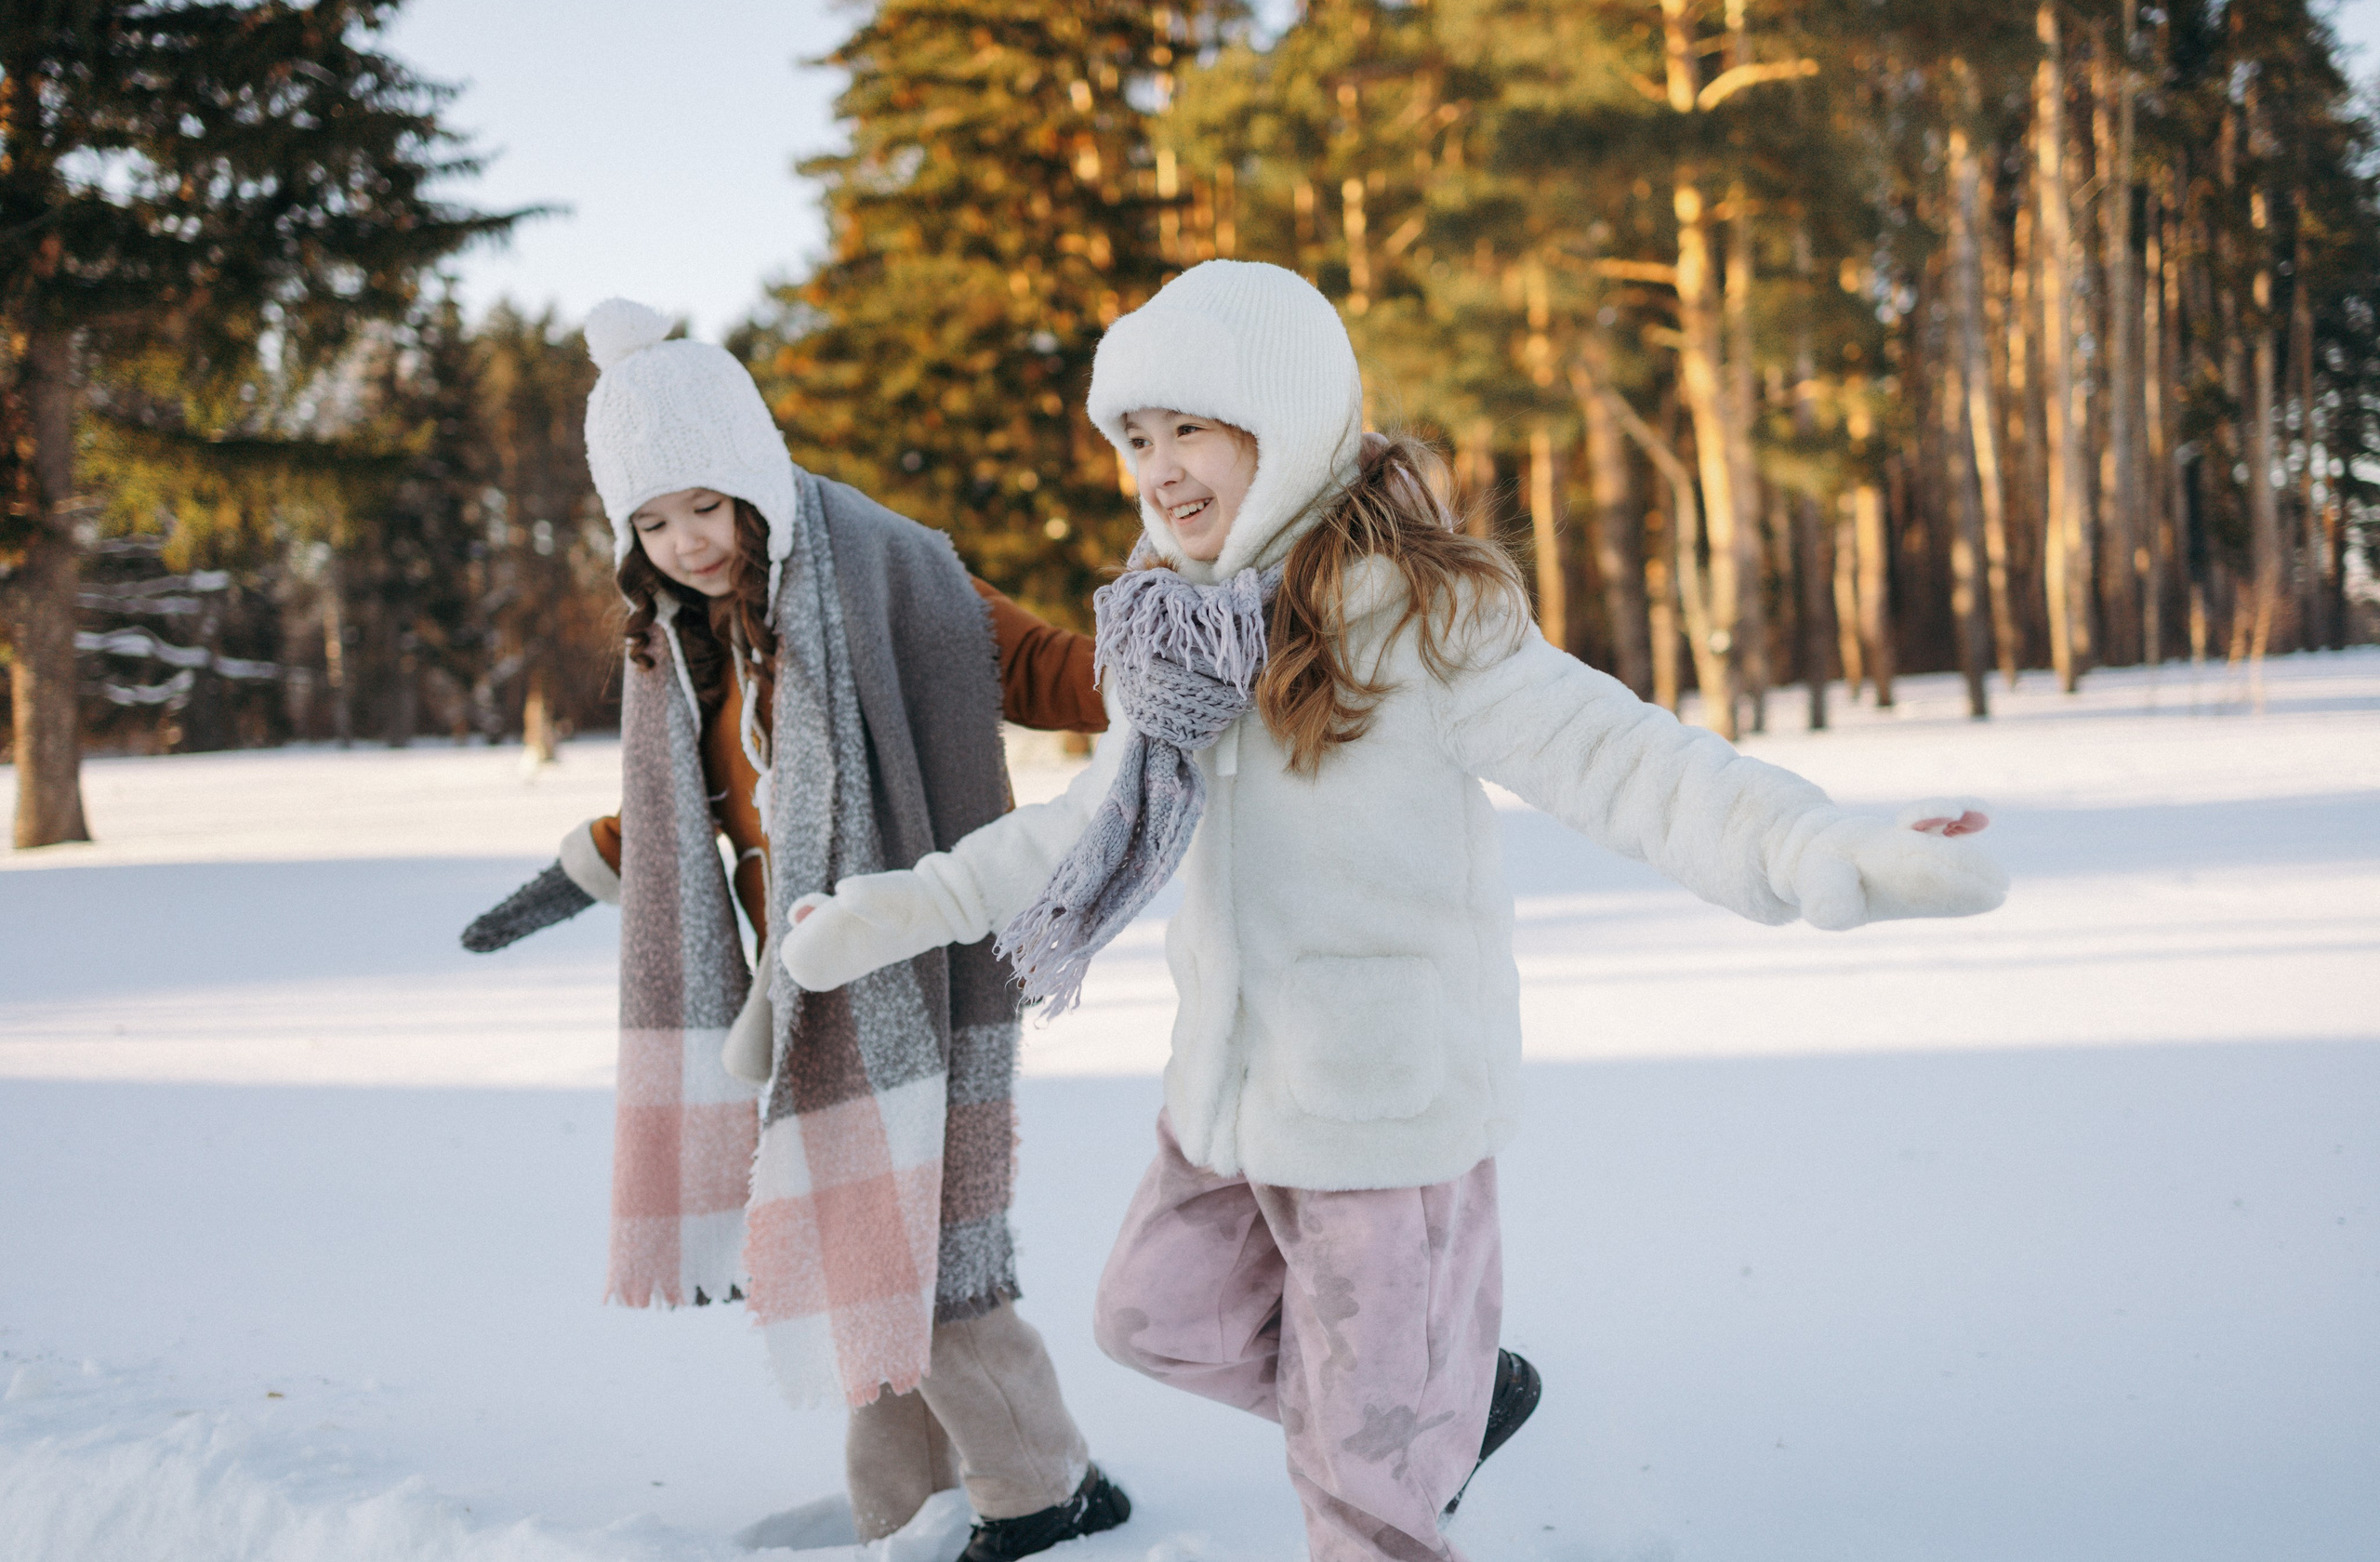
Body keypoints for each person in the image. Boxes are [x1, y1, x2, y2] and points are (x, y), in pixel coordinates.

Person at [774, 260, 2008, 1562]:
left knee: (1364, 1505)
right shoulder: (1173, 639)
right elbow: (1084, 825)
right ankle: (1437, 1413)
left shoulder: (1428, 615)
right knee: (1151, 1320)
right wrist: (898, 909)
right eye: (1135, 440)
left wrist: (1823, 845)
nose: (1158, 469)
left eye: (1189, 427)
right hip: (1229, 1101)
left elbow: (1627, 759)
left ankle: (1406, 1439)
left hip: (1385, 1110)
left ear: (1285, 420)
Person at [459, 298, 1127, 1561]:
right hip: (798, 986)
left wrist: (1170, 660)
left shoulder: (892, 572)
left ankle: (1048, 1492)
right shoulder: (685, 639)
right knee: (855, 1251)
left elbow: (1040, 669)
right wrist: (588, 866)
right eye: (651, 522)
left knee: (931, 1253)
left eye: (704, 505)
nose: (687, 542)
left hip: (913, 961)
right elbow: (693, 808)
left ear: (754, 479)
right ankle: (905, 1514)